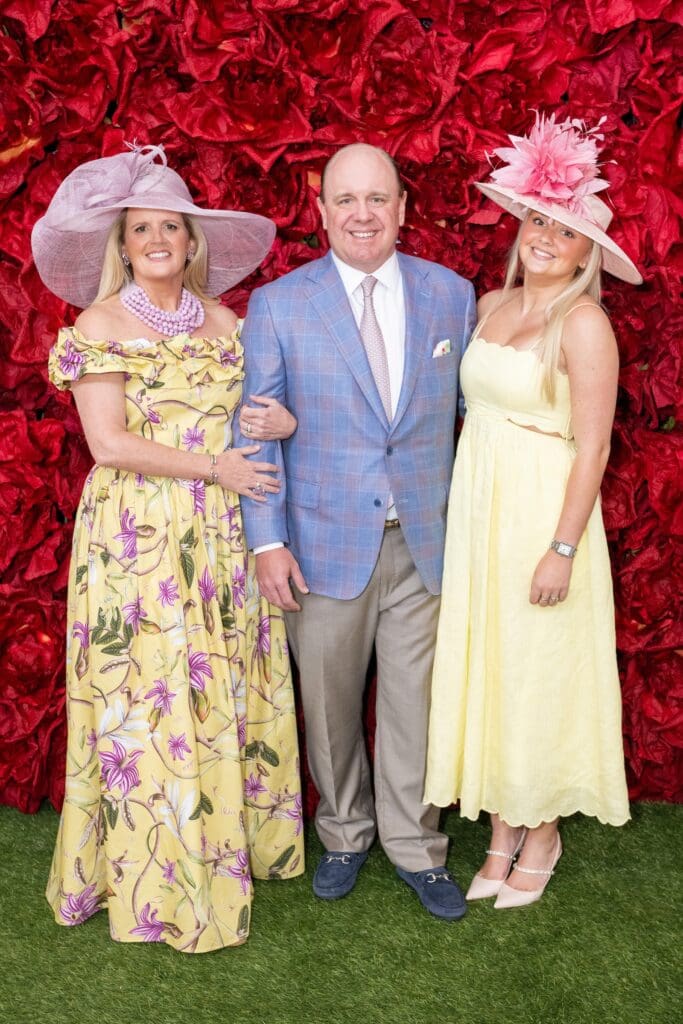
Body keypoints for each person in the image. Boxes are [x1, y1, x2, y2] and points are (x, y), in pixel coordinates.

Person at [31, 144, 304, 953]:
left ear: (192, 243)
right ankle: (154, 868)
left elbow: (254, 418)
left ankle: (227, 846)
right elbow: (109, 444)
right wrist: (214, 467)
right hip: (136, 539)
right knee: (150, 698)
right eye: (140, 228)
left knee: (216, 685)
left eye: (170, 227)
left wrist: (274, 426)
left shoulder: (227, 322)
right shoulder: (100, 325)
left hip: (222, 536)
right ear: (122, 244)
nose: (156, 240)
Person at [238, 143, 476, 920]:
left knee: (416, 701)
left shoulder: (450, 296)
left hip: (424, 542)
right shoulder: (279, 305)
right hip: (320, 545)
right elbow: (255, 433)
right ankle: (344, 833)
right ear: (321, 212)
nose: (363, 213)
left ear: (403, 207)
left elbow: (474, 418)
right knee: (330, 705)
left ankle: (415, 844)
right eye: (346, 200)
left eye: (378, 198)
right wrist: (267, 541)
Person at [424, 113, 641, 909]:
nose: (548, 238)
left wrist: (560, 546)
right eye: (539, 221)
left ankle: (539, 829)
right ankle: (502, 829)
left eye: (567, 230)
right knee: (491, 666)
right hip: (479, 511)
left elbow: (591, 449)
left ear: (588, 253)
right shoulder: (490, 302)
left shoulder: (584, 324)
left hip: (540, 518)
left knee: (535, 673)